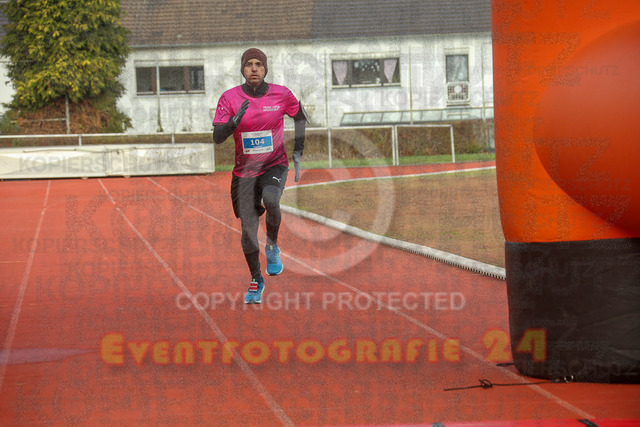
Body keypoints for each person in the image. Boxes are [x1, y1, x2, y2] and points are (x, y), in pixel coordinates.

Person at [212, 48, 309, 304]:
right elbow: (217, 137)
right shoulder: (229, 98)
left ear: (265, 69)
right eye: (248, 65)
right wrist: (232, 124)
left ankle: (272, 245)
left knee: (272, 199)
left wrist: (298, 150)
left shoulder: (282, 94)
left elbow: (300, 117)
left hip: (273, 164)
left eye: (258, 64)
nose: (254, 68)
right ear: (242, 70)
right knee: (248, 231)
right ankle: (256, 278)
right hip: (244, 174)